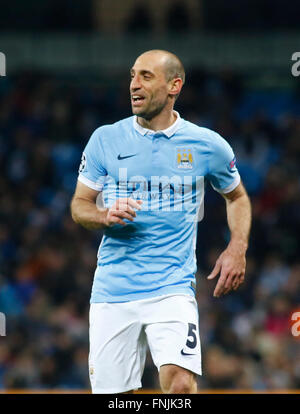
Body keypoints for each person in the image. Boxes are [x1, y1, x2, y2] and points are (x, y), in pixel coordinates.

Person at [70, 49, 252, 394]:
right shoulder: (105, 139)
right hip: (113, 290)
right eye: (132, 75)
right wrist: (102, 215)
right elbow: (79, 205)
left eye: (146, 76)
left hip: (172, 288)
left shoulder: (206, 145)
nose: (134, 85)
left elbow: (237, 196)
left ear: (174, 86)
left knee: (181, 385)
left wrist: (237, 246)